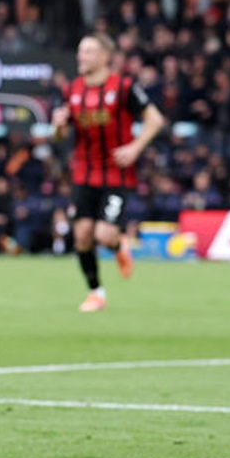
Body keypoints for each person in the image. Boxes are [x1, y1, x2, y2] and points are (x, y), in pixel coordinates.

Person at [50, 32, 165, 312]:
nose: (82, 56)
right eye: (80, 50)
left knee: (103, 235)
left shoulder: (124, 87)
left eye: (88, 51)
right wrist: (57, 126)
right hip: (84, 173)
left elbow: (156, 119)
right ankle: (96, 293)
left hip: (116, 174)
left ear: (105, 57)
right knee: (82, 236)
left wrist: (135, 148)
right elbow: (59, 136)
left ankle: (118, 246)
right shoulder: (71, 90)